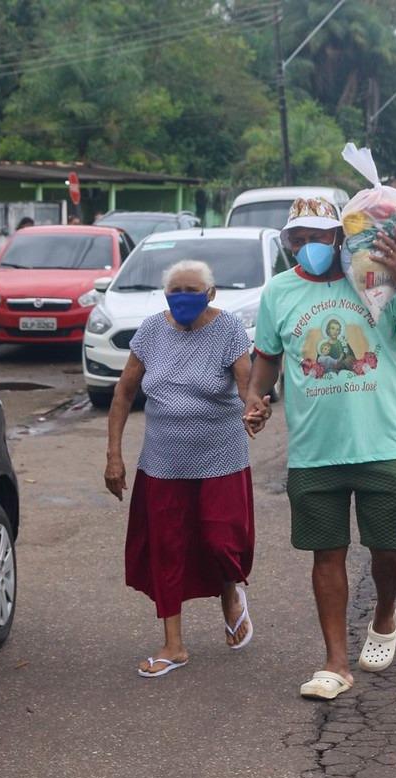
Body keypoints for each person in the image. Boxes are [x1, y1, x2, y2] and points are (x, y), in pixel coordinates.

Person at [244, 197, 396, 700]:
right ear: (289, 243)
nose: (309, 247)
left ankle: (385, 611)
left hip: (383, 444)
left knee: (389, 552)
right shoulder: (279, 293)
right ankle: (335, 662)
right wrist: (256, 399)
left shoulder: (375, 282)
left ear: (341, 237)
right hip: (314, 452)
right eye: (299, 238)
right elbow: (266, 360)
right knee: (325, 554)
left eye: (319, 236)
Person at [105, 259, 256, 678]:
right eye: (176, 292)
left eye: (192, 291)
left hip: (220, 455)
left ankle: (230, 591)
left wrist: (253, 409)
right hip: (163, 462)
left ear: (210, 294)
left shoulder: (227, 330)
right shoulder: (152, 331)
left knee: (221, 539)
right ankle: (174, 645)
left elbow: (247, 385)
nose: (183, 300)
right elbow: (124, 393)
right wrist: (113, 454)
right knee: (167, 549)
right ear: (166, 295)